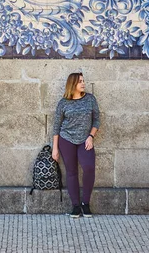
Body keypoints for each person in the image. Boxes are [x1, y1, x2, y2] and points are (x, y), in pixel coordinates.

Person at [52, 73, 100, 219]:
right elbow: (56, 126)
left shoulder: (90, 99)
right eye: (80, 81)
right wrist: (55, 148)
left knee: (89, 167)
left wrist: (91, 136)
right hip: (66, 140)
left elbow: (97, 120)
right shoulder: (63, 103)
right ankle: (76, 206)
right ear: (72, 84)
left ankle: (85, 203)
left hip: (85, 140)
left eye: (83, 81)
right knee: (71, 172)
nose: (83, 83)